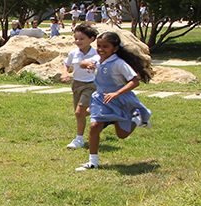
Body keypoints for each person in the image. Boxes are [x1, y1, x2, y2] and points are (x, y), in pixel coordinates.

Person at [74, 31, 151, 171]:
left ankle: (136, 118)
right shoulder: (98, 59)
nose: (101, 49)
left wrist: (117, 93)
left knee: (122, 135)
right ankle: (93, 162)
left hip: (120, 100)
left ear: (114, 48)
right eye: (99, 46)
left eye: (105, 46)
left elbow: (134, 82)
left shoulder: (119, 63)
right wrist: (87, 64)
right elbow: (82, 63)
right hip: (101, 100)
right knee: (94, 126)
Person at [63, 23, 99, 150]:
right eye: (76, 39)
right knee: (79, 113)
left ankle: (79, 139)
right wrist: (65, 73)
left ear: (91, 39)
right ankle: (100, 111)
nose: (78, 41)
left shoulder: (96, 54)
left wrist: (88, 64)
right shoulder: (73, 53)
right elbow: (66, 65)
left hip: (90, 85)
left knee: (79, 112)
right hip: (76, 84)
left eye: (82, 39)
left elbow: (93, 62)